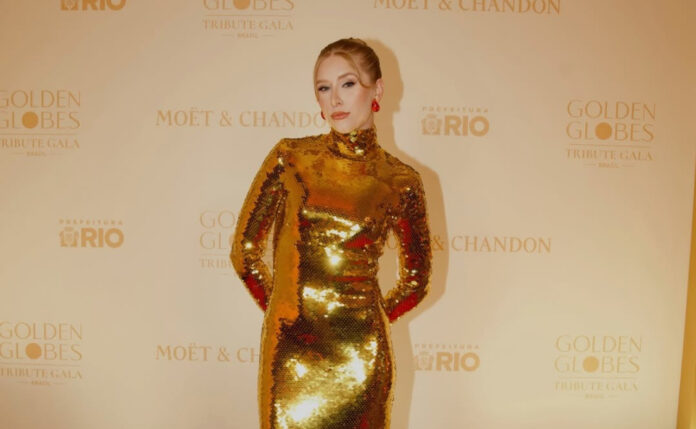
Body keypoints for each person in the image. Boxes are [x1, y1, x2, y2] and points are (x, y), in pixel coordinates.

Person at [230, 37, 432, 429]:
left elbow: (416, 281)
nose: (335, 99)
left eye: (348, 84)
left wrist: (365, 320)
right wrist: (287, 313)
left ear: (377, 90)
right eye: (324, 88)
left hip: (362, 359)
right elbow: (245, 251)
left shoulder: (401, 180)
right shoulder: (291, 157)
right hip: (290, 355)